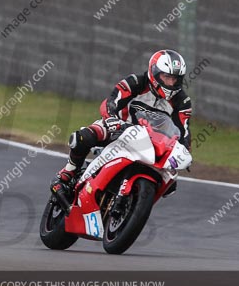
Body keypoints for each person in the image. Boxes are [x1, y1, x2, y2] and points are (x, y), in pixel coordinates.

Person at [52, 50, 192, 192]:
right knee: (83, 137)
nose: (170, 82)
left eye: (175, 78)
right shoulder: (135, 82)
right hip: (119, 127)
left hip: (152, 142)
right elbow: (112, 102)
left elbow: (184, 131)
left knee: (169, 184)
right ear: (154, 72)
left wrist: (184, 150)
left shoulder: (182, 101)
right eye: (166, 76)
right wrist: (111, 119)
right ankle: (68, 172)